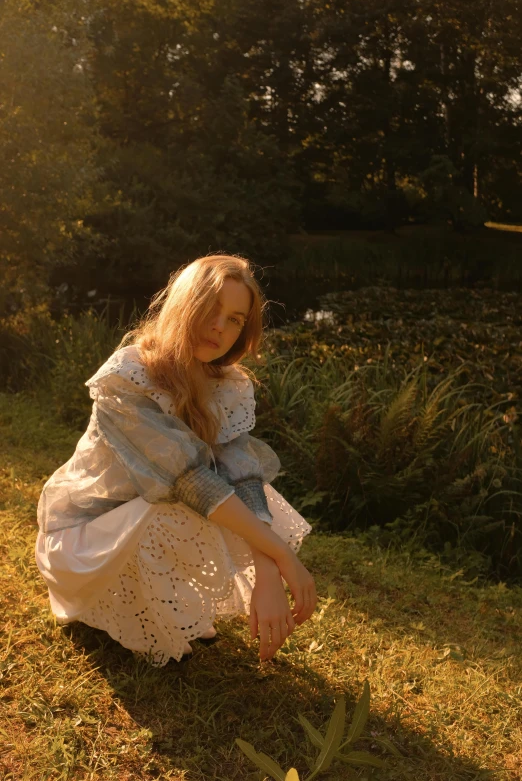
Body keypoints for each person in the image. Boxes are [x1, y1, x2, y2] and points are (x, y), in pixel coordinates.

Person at [35, 254, 316, 666]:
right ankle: (129, 616)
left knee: (255, 499)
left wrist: (269, 570)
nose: (220, 327)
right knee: (180, 508)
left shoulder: (228, 386)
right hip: (84, 542)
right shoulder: (128, 375)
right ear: (185, 303)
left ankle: (173, 611)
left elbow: (242, 475)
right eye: (211, 309)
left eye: (235, 319)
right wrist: (285, 558)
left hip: (136, 523)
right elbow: (189, 482)